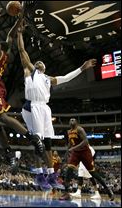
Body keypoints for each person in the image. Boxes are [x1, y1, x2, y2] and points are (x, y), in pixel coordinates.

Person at [17, 25, 97, 190]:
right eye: (36, 62)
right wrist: (19, 34)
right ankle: (40, 175)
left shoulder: (48, 78)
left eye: (41, 63)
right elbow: (22, 53)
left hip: (45, 108)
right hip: (32, 105)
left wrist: (83, 67)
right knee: (38, 142)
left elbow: (67, 78)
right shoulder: (31, 72)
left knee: (47, 144)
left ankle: (52, 175)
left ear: (45, 67)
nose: (38, 63)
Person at [0, 8, 43, 172]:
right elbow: (10, 35)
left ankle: (32, 138)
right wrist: (19, 19)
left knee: (2, 117)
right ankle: (9, 153)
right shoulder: (5, 53)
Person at [59, 118, 114, 201]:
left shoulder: (80, 129)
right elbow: (70, 143)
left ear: (76, 122)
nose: (72, 120)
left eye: (74, 119)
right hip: (76, 153)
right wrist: (67, 151)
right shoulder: (69, 132)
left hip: (85, 152)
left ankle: (108, 190)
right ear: (69, 123)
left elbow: (85, 141)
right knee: (68, 170)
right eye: (70, 120)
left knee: (93, 173)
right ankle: (66, 193)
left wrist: (74, 148)